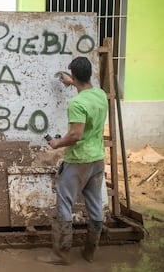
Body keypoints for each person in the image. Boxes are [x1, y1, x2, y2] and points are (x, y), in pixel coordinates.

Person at [38, 56, 108, 265]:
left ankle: (60, 255)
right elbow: (85, 88)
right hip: (97, 159)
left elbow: (76, 135)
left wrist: (57, 144)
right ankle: (89, 252)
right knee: (95, 204)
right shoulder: (100, 94)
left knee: (65, 204)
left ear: (74, 75)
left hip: (79, 161)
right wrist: (73, 82)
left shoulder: (77, 103)